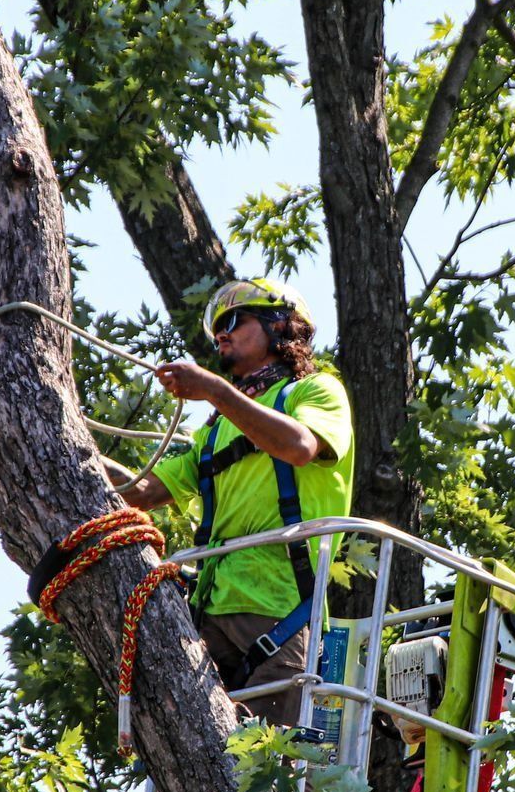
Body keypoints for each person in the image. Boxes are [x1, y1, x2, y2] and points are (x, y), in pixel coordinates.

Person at [103, 279, 355, 725]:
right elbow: (140, 493)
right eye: (217, 327)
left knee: (281, 772)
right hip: (210, 612)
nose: (222, 333)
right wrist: (76, 447)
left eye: (235, 320)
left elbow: (299, 447)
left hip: (280, 607)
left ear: (282, 325)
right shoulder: (215, 432)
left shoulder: (314, 392)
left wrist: (216, 391)